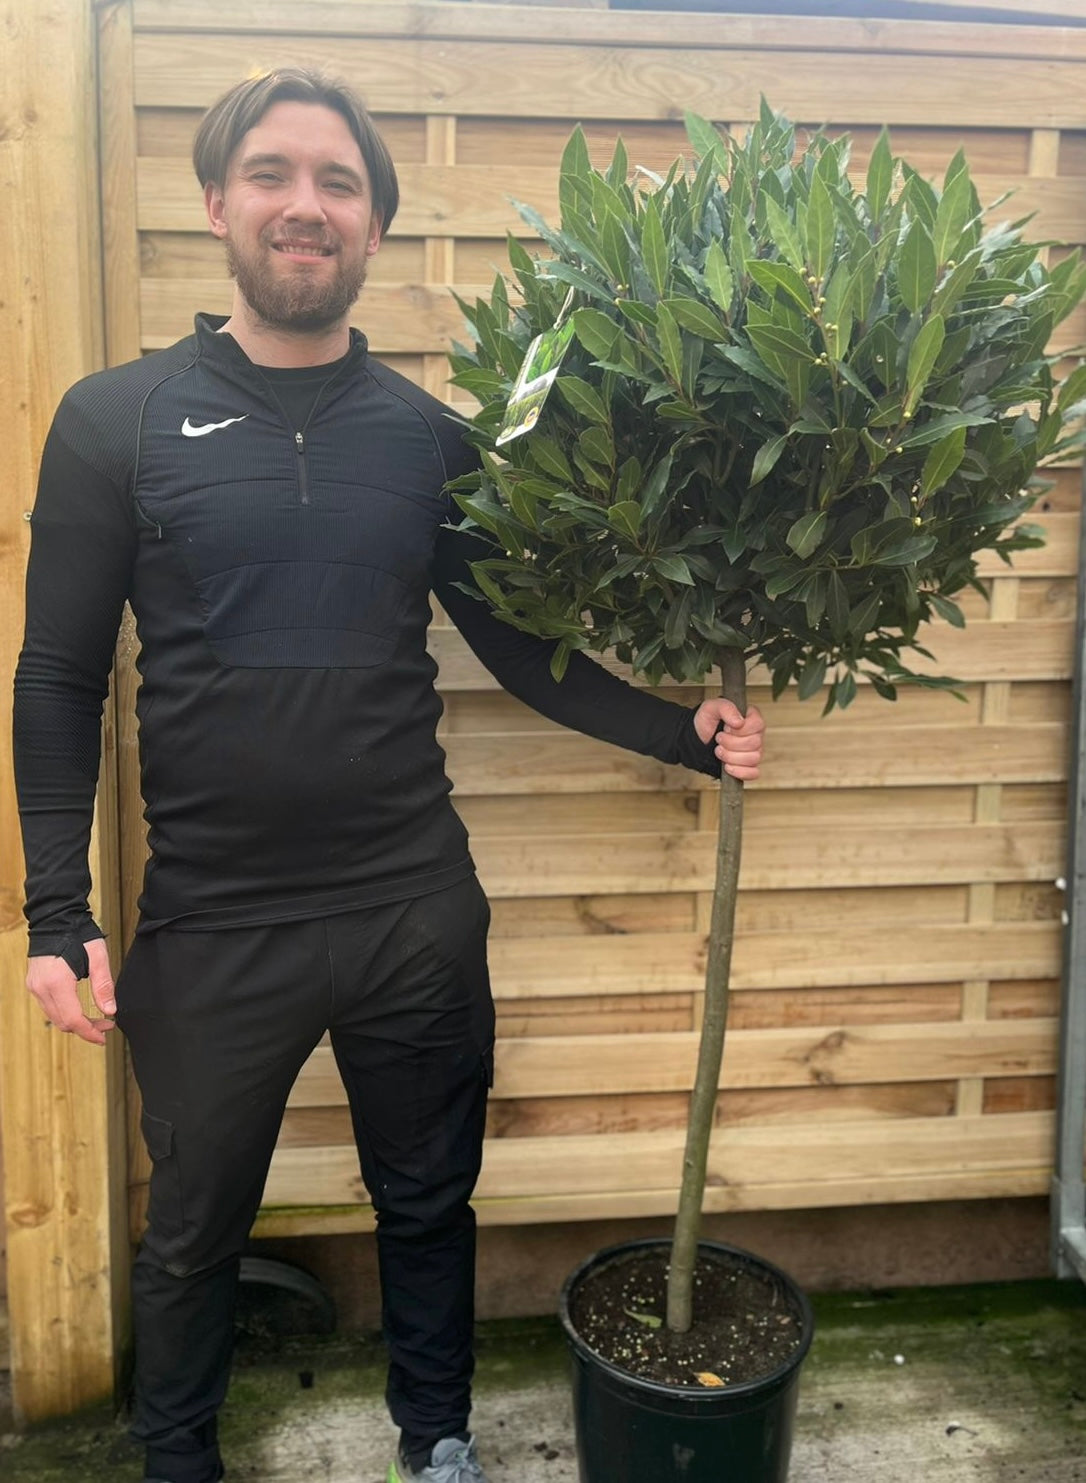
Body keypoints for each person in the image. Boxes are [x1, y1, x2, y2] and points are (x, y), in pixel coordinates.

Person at [13, 68, 765, 1483]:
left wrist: (685, 734)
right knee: (190, 1232)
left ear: (375, 227)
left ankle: (439, 1442)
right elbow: (57, 676)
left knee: (428, 1201)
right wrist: (59, 915)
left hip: (411, 905)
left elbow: (521, 650)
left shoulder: (429, 442)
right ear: (219, 202)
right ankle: (176, 1462)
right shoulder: (116, 420)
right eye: (276, 175)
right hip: (215, 922)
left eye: (338, 184)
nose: (306, 205)